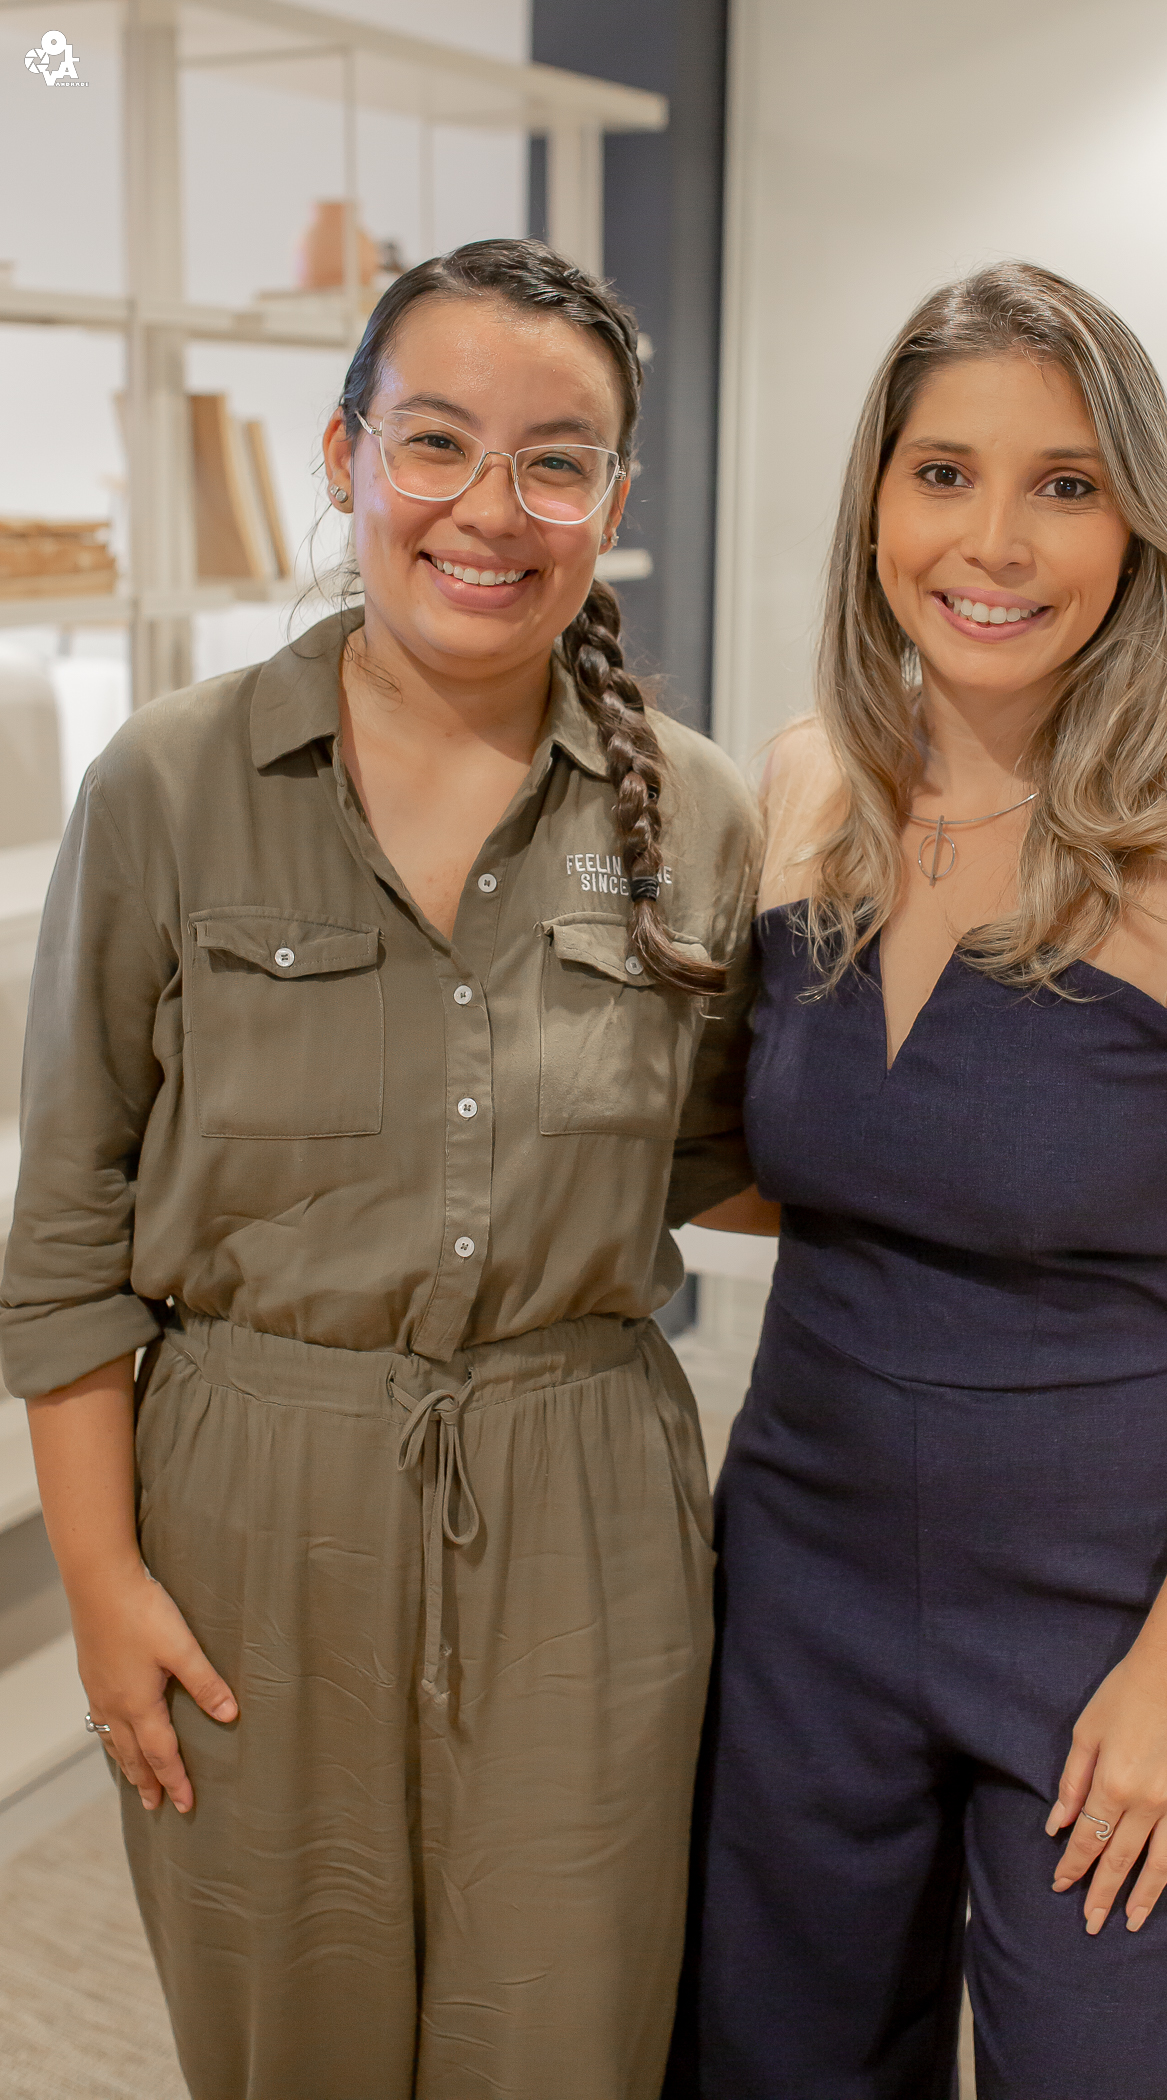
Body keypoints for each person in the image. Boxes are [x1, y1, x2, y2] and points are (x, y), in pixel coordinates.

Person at [1, 238, 759, 2100]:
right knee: (292, 2046)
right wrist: (99, 1580)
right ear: (345, 455)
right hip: (246, 1509)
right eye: (436, 442)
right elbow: (70, 1223)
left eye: (555, 461)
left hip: (583, 1516)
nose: (491, 509)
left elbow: (726, 1156)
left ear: (613, 502)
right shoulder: (170, 786)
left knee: (566, 2045)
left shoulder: (697, 812)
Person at [666, 262, 1167, 2099]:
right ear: (876, 503)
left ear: (1137, 527)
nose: (995, 541)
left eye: (1065, 484)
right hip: (804, 1583)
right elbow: (786, 1168)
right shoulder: (805, 786)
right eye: (945, 474)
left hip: (1119, 1603)